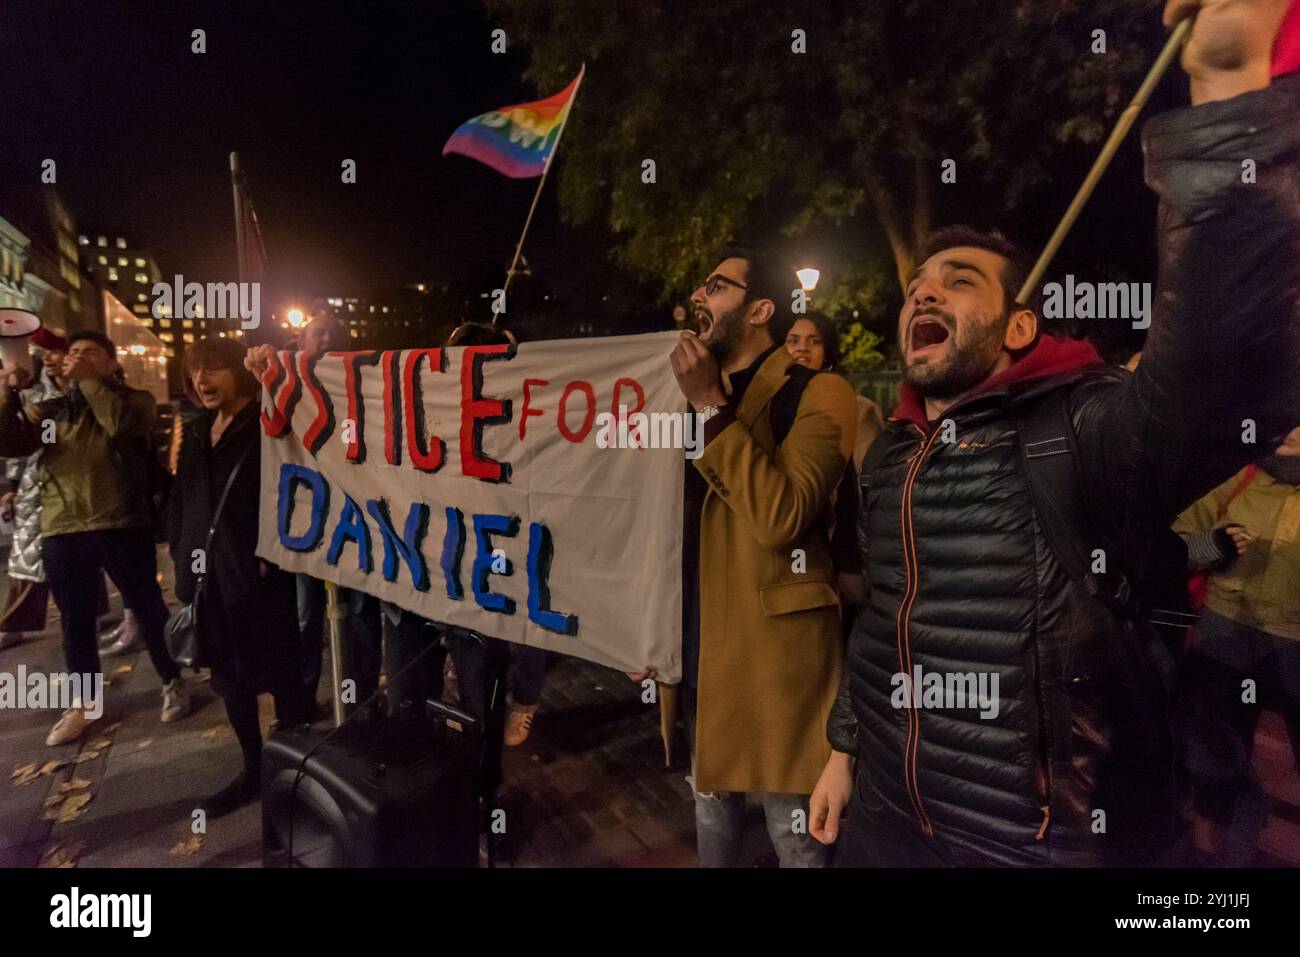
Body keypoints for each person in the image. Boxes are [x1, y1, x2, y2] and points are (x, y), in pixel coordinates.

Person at [811, 0, 1300, 867]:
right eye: (917, 283)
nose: (923, 293)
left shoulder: (1080, 427)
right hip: (886, 825)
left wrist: (1226, 95)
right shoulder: (889, 452)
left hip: (1044, 843)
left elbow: (1223, 367)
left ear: (1021, 328)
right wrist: (846, 749)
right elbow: (884, 624)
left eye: (958, 281)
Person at [665, 245, 857, 867]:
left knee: (793, 835)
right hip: (699, 641)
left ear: (760, 309)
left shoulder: (818, 392)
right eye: (700, 284)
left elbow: (782, 516)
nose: (699, 296)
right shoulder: (679, 397)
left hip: (778, 657)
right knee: (711, 813)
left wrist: (712, 409)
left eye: (716, 286)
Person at [0, 330, 189, 746]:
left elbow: (118, 425)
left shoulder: (134, 401)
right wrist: (7, 393)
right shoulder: (50, 411)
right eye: (74, 354)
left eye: (91, 354)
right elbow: (12, 443)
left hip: (121, 521)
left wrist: (87, 380)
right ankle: (85, 704)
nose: (78, 358)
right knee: (76, 621)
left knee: (148, 607)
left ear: (111, 364)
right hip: (63, 526)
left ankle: (172, 680)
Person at [169, 337, 307, 817]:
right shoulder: (196, 427)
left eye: (213, 369)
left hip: (262, 575)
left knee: (284, 676)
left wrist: (276, 552)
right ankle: (253, 770)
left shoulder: (269, 422)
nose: (202, 381)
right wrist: (183, 565)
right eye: (194, 373)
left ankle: (294, 773)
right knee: (230, 679)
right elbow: (183, 500)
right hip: (209, 581)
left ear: (237, 372)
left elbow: (297, 487)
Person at [1173, 424, 1300, 865]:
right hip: (1226, 641)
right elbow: (1174, 550)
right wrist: (1211, 546)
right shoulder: (1239, 477)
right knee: (1215, 766)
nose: (1289, 427)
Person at [290, 315, 384, 718]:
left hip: (355, 520)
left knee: (362, 613)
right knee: (306, 616)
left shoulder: (365, 386)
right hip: (306, 523)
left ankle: (362, 697)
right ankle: (304, 698)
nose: (326, 340)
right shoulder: (286, 385)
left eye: (334, 334)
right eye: (318, 333)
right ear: (300, 341)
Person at [0, 331, 67, 650]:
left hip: (64, 484)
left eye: (55, 352)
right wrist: (14, 485)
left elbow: (47, 440)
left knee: (81, 554)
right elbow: (17, 445)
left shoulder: (65, 393)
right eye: (44, 353)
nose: (49, 359)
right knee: (25, 555)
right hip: (33, 484)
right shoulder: (31, 390)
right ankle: (14, 621)